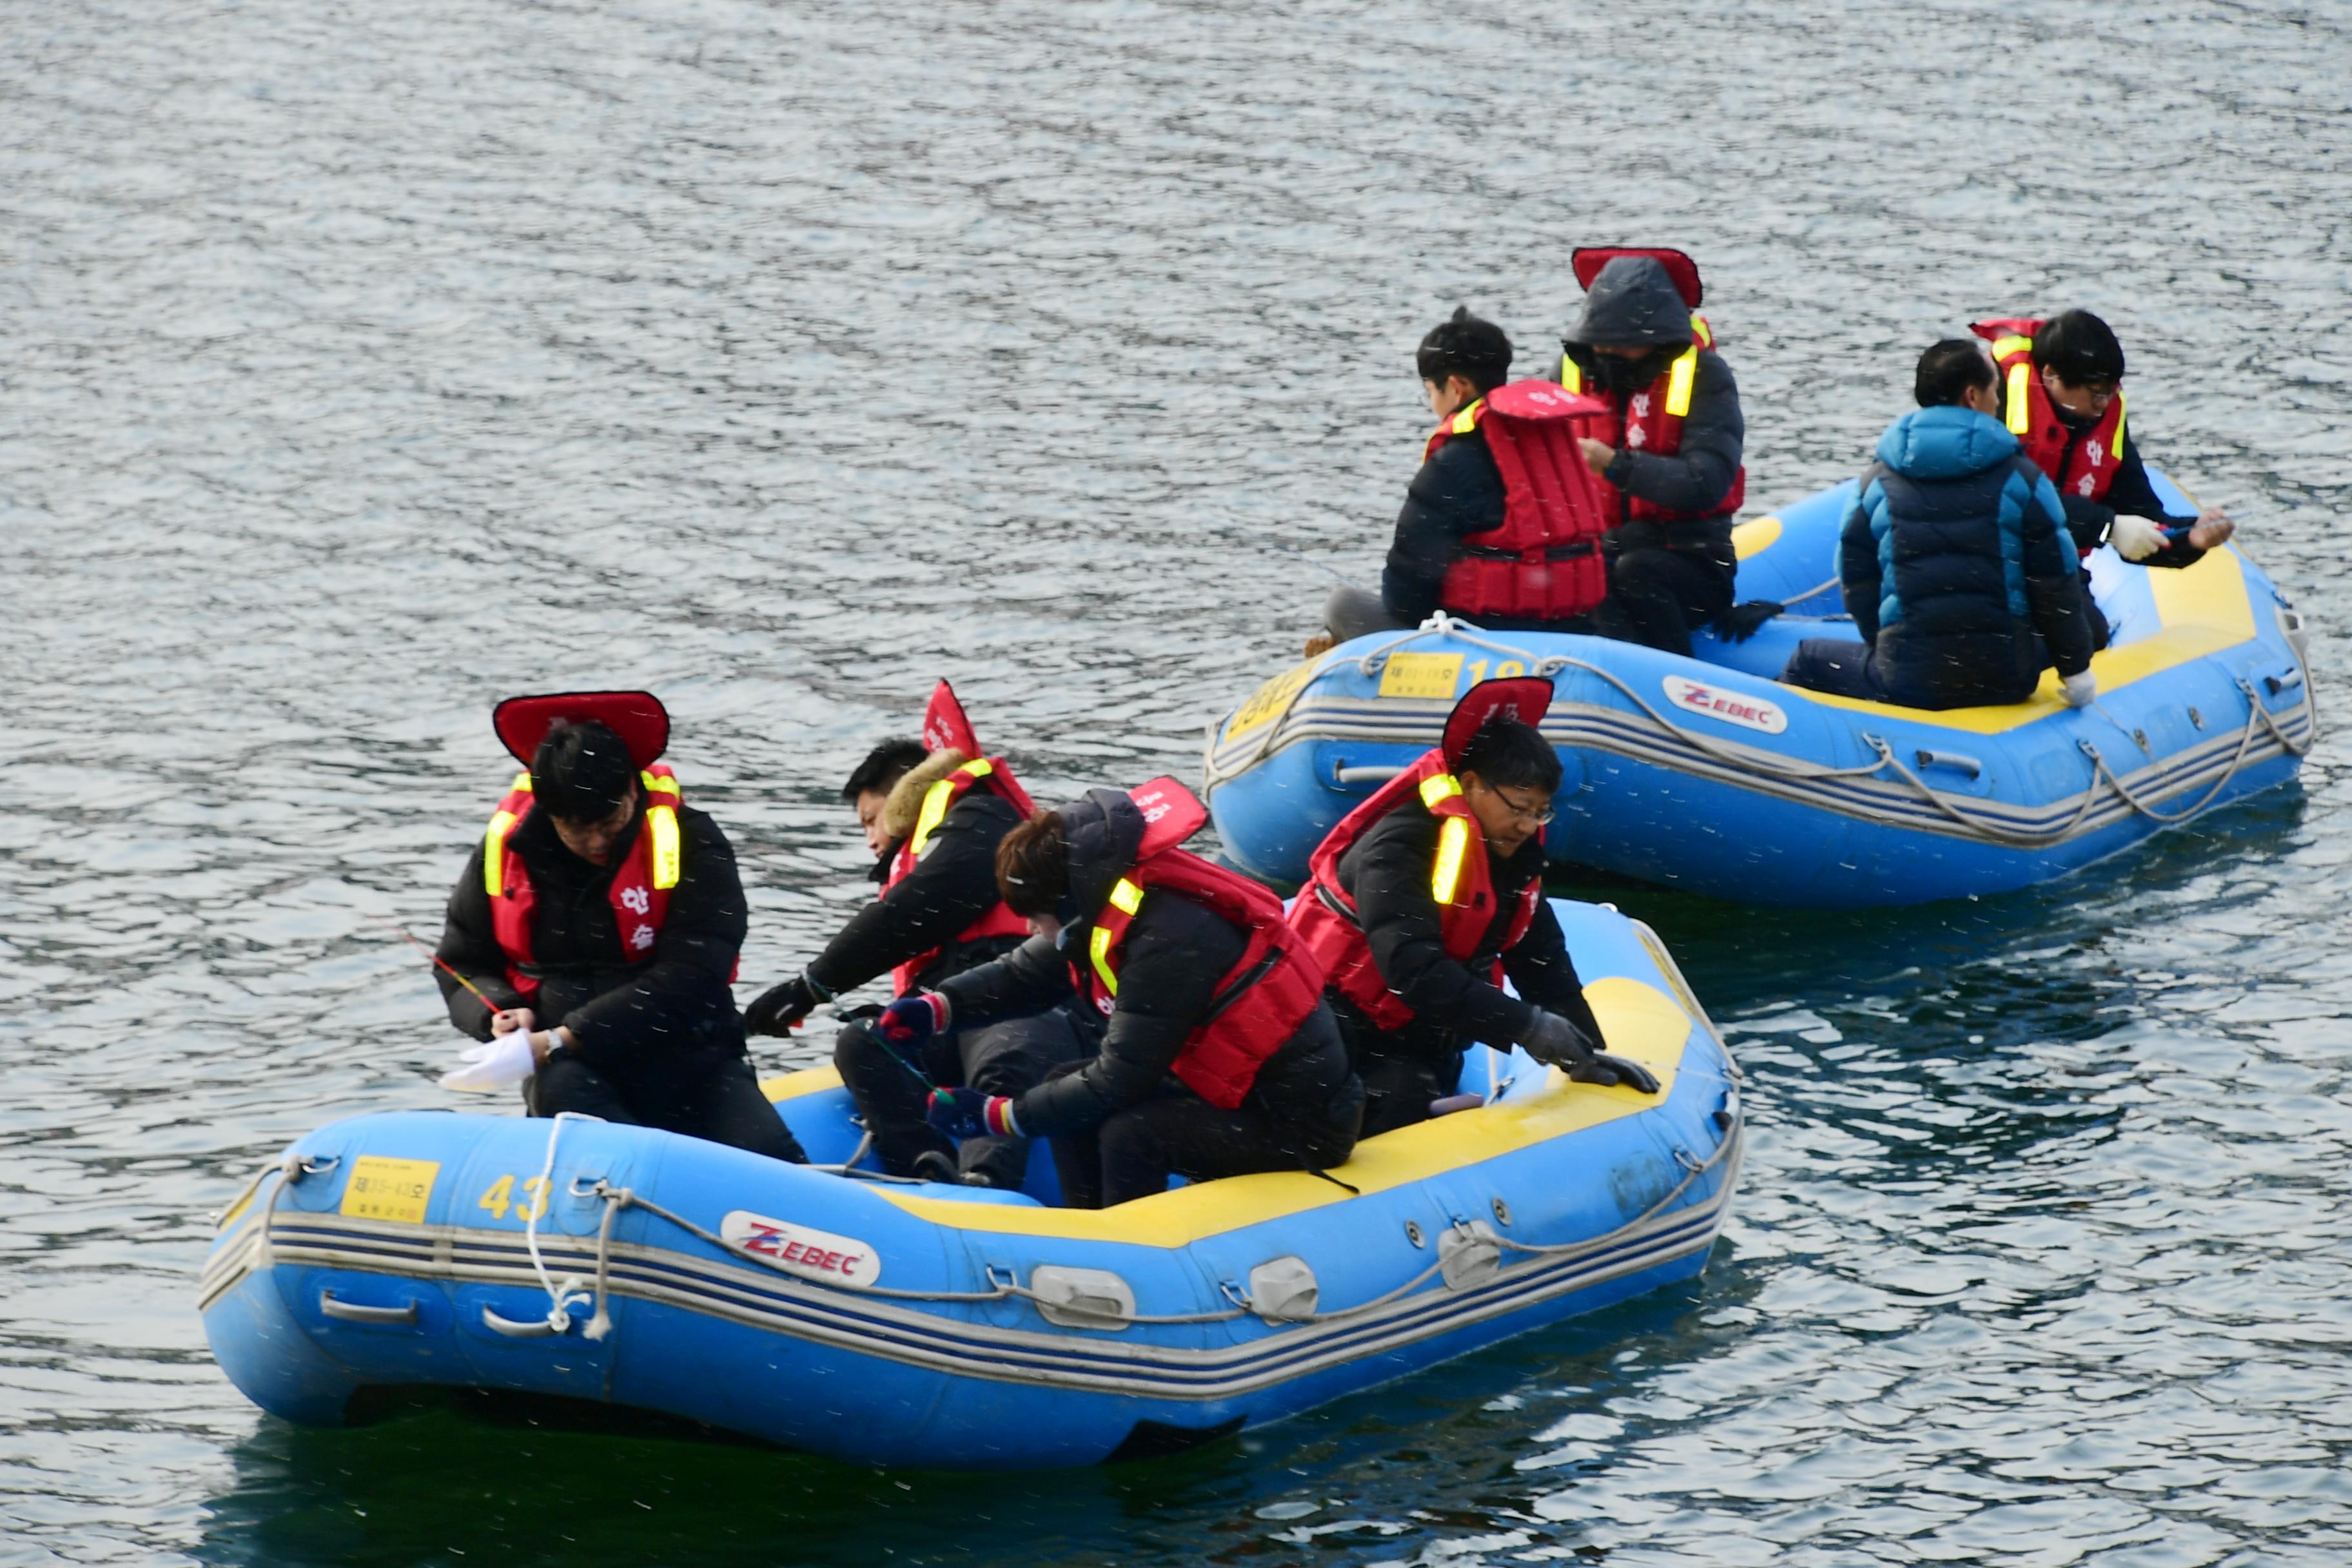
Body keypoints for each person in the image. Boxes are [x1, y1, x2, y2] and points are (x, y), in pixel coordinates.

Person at [882, 778, 1363, 1209]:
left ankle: (1127, 1258)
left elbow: (1121, 1078)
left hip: (1299, 1124)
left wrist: (1002, 1117)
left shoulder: (1171, 937)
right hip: (1238, 1093)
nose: (1029, 928)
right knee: (1065, 1080)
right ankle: (1088, 1224)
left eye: (1036, 917)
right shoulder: (1111, 900)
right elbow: (1022, 974)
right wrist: (936, 1009)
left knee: (1131, 1135)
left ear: (1065, 904)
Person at [432, 691, 806, 1162]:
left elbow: (694, 973)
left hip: (693, 1058)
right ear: (551, 816)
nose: (595, 842)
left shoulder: (694, 841)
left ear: (633, 790)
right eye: (576, 829)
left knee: (773, 1158)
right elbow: (460, 961)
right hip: (572, 1071)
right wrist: (496, 1013)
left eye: (609, 823)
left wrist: (566, 1035)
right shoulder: (504, 853)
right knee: (573, 1104)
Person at [741, 682, 1081, 1189]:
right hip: (946, 1013)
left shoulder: (984, 816)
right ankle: (925, 1166)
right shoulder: (920, 855)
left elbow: (919, 908)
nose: (871, 840)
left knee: (1006, 1051)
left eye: (871, 820)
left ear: (906, 794)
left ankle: (986, 1183)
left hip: (1023, 1004)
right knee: (864, 1043)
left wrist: (810, 986)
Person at [1288, 680, 1658, 1136]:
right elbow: (1414, 972)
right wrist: (1528, 1027)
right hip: (1335, 1035)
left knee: (1418, 1084)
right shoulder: (1399, 847)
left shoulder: (1509, 855)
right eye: (1520, 807)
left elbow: (1542, 962)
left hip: (1416, 1041)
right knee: (1395, 1101)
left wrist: (1585, 1053)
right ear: (1471, 785)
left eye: (1541, 812)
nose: (1528, 825)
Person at [1780, 341, 2099, 711]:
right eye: (1996, 390)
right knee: (2089, 625)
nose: (1998, 403)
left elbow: (1855, 577)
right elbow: (2054, 582)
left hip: (1909, 679)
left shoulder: (1876, 483)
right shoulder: (2024, 479)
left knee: (1807, 657)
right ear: (1972, 396)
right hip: (2006, 677)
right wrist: (2075, 672)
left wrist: (1883, 641)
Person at [1314, 307, 1611, 649]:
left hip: (1484, 642)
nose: (1433, 404)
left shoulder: (1453, 463)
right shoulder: (1559, 446)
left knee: (1343, 604)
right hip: (1575, 631)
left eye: (1431, 392)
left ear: (1457, 387)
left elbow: (1405, 593)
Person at [1557, 248, 1752, 656]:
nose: (1610, 354)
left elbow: (1707, 482)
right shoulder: (1573, 370)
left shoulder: (1706, 376)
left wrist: (1616, 465)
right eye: (1603, 343)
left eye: (1623, 344)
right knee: (1582, 573)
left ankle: (1674, 682)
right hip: (1606, 550)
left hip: (1694, 562)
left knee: (1633, 573)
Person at [1971, 311, 2235, 580]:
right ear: (2051, 376)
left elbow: (2139, 511)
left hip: (2054, 572)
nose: (2104, 405)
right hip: (1984, 566)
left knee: (2086, 620)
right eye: (2096, 393)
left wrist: (2192, 537)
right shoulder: (1992, 400)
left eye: (2111, 392)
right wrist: (2105, 526)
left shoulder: (2106, 419)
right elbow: (2000, 498)